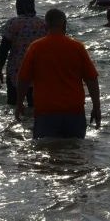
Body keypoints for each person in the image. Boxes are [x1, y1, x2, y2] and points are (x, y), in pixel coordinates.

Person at [15, 8, 101, 139]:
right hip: (74, 111)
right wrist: (96, 107)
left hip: (46, 111)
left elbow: (23, 79)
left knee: (46, 153)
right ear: (64, 24)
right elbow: (91, 79)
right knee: (74, 155)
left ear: (46, 25)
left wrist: (19, 103)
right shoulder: (77, 47)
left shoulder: (36, 47)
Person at [0, 0, 46, 106]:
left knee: (13, 104)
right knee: (35, 106)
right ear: (33, 6)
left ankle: (15, 123)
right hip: (37, 71)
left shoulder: (12, 24)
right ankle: (32, 123)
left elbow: (3, 50)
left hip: (16, 70)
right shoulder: (43, 24)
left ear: (18, 7)